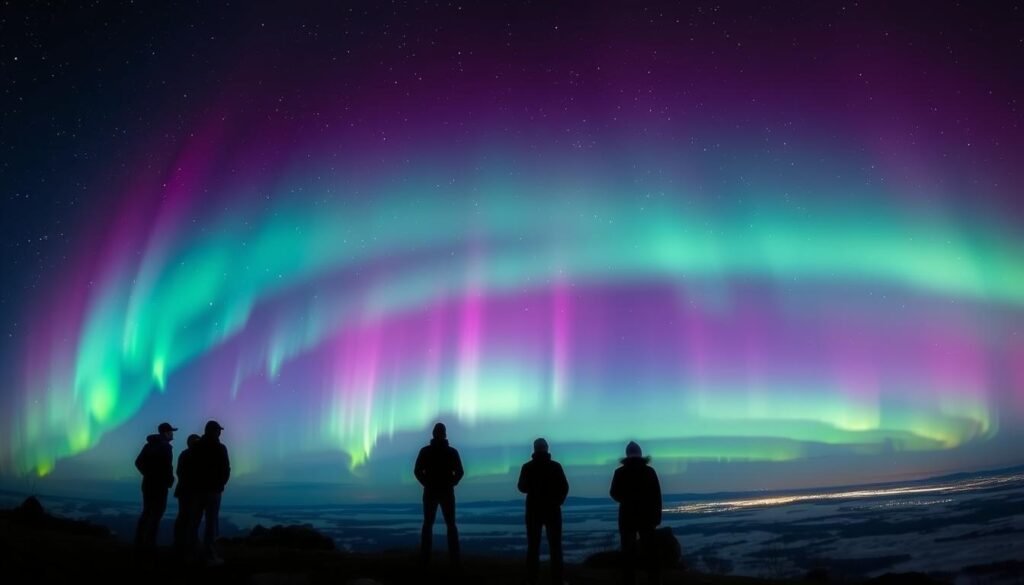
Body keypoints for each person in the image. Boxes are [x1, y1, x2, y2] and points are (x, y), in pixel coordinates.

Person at [517, 438, 569, 585]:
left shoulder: (527, 467)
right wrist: (557, 501)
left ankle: (532, 579)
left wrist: (534, 489)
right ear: (546, 448)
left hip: (534, 510)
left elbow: (521, 487)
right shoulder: (555, 466)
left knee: (533, 546)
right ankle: (557, 579)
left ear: (534, 449)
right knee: (555, 546)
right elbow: (564, 487)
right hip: (552, 510)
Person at [610, 441, 663, 585]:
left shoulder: (620, 472)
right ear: (640, 453)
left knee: (628, 553)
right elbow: (657, 496)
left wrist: (626, 500)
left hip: (627, 517)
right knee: (650, 553)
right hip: (647, 517)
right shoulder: (649, 471)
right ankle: (654, 580)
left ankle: (629, 580)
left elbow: (613, 493)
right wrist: (657, 516)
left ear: (627, 454)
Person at [414, 422, 464, 567]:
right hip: (444, 491)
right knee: (449, 525)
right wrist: (451, 483)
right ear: (444, 434)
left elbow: (417, 471)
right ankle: (454, 560)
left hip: (432, 491)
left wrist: (426, 483)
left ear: (434, 434)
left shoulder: (426, 451)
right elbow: (459, 472)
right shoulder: (451, 452)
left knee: (430, 524)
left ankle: (426, 559)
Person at [134, 421, 177, 549]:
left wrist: (147, 474)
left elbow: (138, 462)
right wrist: (168, 480)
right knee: (157, 514)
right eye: (170, 432)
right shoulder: (165, 447)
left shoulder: (149, 446)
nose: (172, 434)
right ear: (165, 433)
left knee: (147, 512)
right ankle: (149, 543)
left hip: (147, 484)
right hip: (159, 486)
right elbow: (167, 467)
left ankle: (140, 542)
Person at [194, 420, 230, 564]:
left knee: (194, 522)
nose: (220, 432)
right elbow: (226, 468)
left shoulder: (196, 447)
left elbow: (191, 469)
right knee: (210, 523)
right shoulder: (220, 448)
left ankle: (193, 551)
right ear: (215, 431)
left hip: (197, 490)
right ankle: (208, 554)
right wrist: (221, 484)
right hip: (213, 491)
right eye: (218, 430)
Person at [172, 433, 201, 558]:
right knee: (190, 518)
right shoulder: (197, 455)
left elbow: (179, 472)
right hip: (191, 492)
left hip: (184, 491)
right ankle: (189, 545)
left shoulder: (184, 454)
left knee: (184, 517)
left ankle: (181, 544)